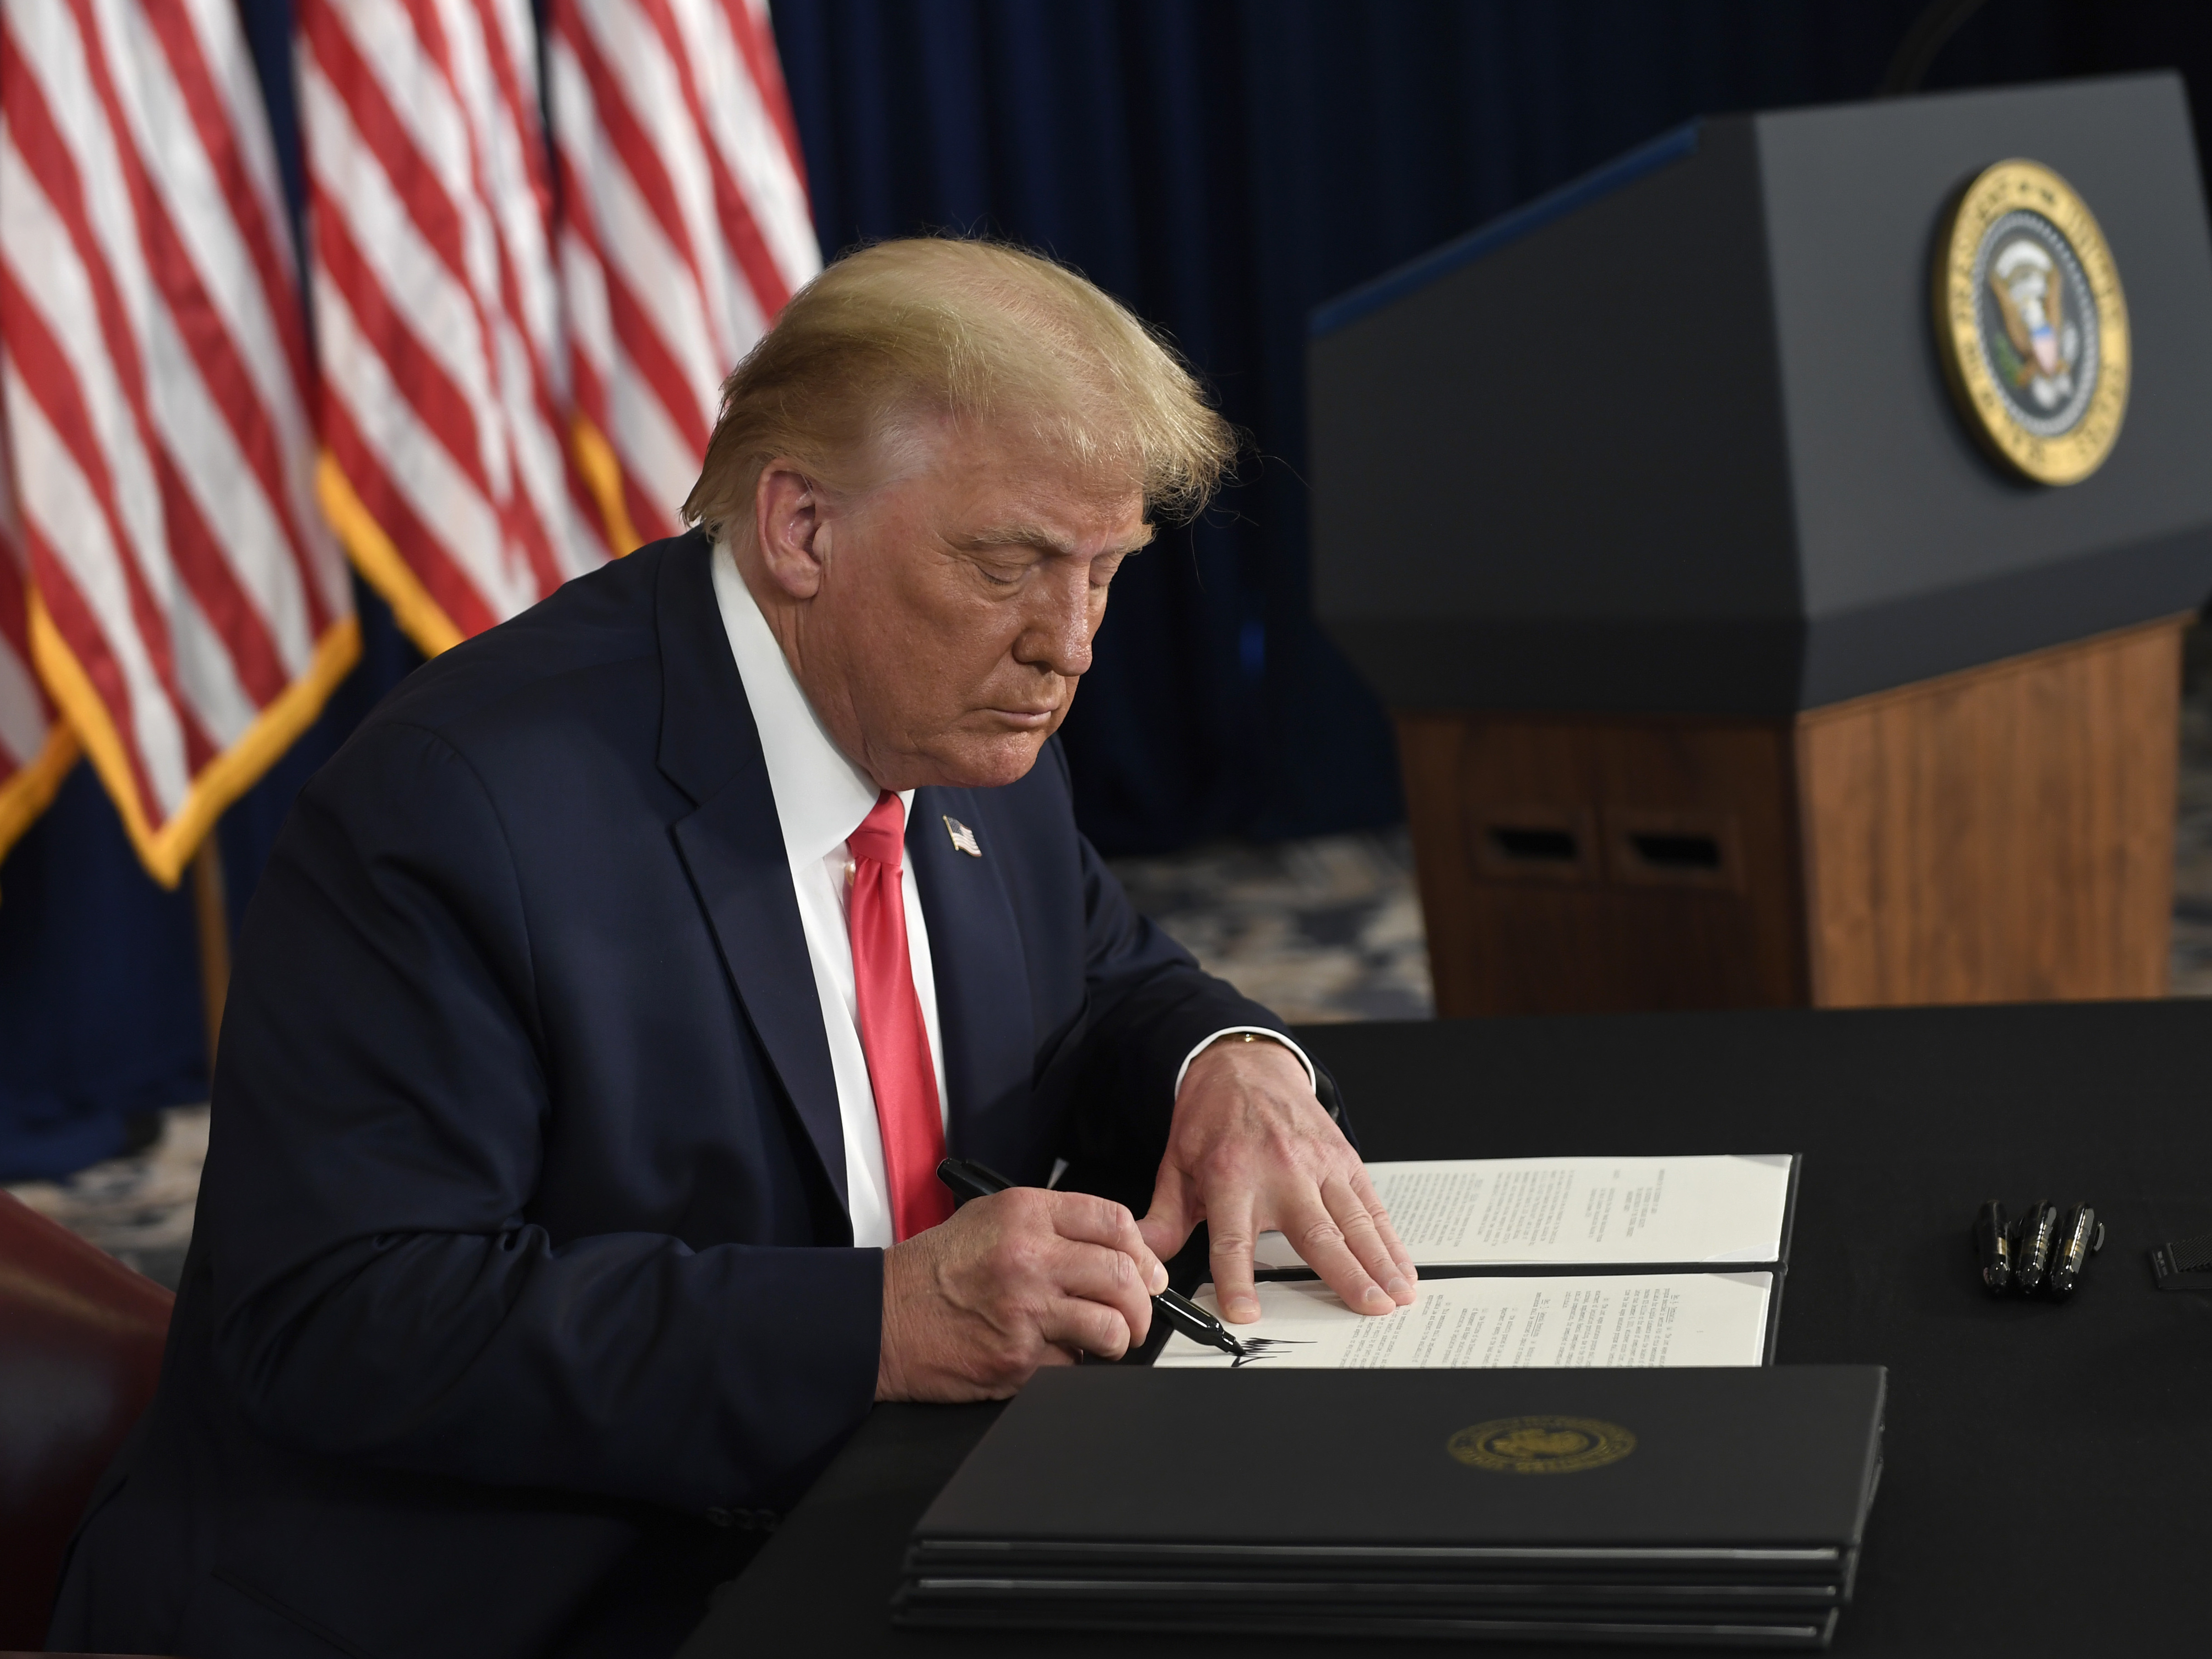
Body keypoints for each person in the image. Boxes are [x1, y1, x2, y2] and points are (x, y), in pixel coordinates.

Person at [49, 239, 1416, 1659]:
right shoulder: (462, 809)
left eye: (1106, 573)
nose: (1068, 645)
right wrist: (876, 1324)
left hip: (862, 1522)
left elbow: (1092, 978)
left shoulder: (956, 721)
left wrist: (1226, 1059)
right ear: (801, 530)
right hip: (496, 1595)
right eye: (1009, 565)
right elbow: (344, 1314)